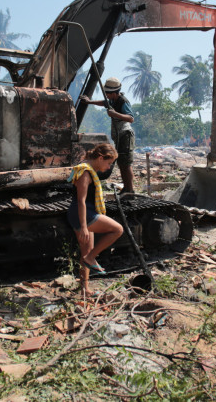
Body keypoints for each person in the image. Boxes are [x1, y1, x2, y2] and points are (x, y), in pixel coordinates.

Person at [67, 143, 124, 297]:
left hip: (83, 213)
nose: (108, 167)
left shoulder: (86, 168)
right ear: (100, 158)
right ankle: (92, 258)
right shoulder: (85, 172)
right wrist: (84, 227)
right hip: (84, 214)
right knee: (117, 229)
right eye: (108, 162)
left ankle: (85, 290)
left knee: (85, 252)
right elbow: (81, 201)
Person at [79, 77, 136, 194]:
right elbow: (104, 102)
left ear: (114, 93)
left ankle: (130, 191)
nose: (106, 95)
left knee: (126, 164)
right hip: (119, 136)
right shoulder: (112, 100)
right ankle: (126, 189)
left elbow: (130, 118)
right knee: (121, 164)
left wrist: (115, 114)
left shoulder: (123, 101)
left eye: (107, 94)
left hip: (125, 135)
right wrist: (89, 102)